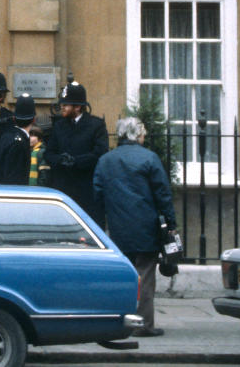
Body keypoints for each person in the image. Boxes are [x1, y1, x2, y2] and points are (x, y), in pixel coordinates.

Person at [93, 117, 176, 338]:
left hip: (118, 228)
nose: (144, 136)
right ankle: (144, 325)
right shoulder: (149, 158)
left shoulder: (105, 160)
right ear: (136, 134)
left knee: (123, 277)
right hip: (146, 227)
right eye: (143, 132)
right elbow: (163, 195)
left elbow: (97, 195)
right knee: (145, 276)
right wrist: (171, 224)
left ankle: (121, 322)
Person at [45, 80, 108, 227]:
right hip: (64, 191)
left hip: (86, 191)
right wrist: (61, 160)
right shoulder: (59, 126)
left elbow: (100, 153)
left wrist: (76, 161)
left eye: (66, 104)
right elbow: (48, 153)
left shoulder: (96, 125)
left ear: (78, 107)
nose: (62, 107)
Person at [0, 93, 35, 185]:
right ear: (34, 120)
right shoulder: (19, 143)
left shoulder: (7, 136)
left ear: (14, 118)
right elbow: (14, 178)